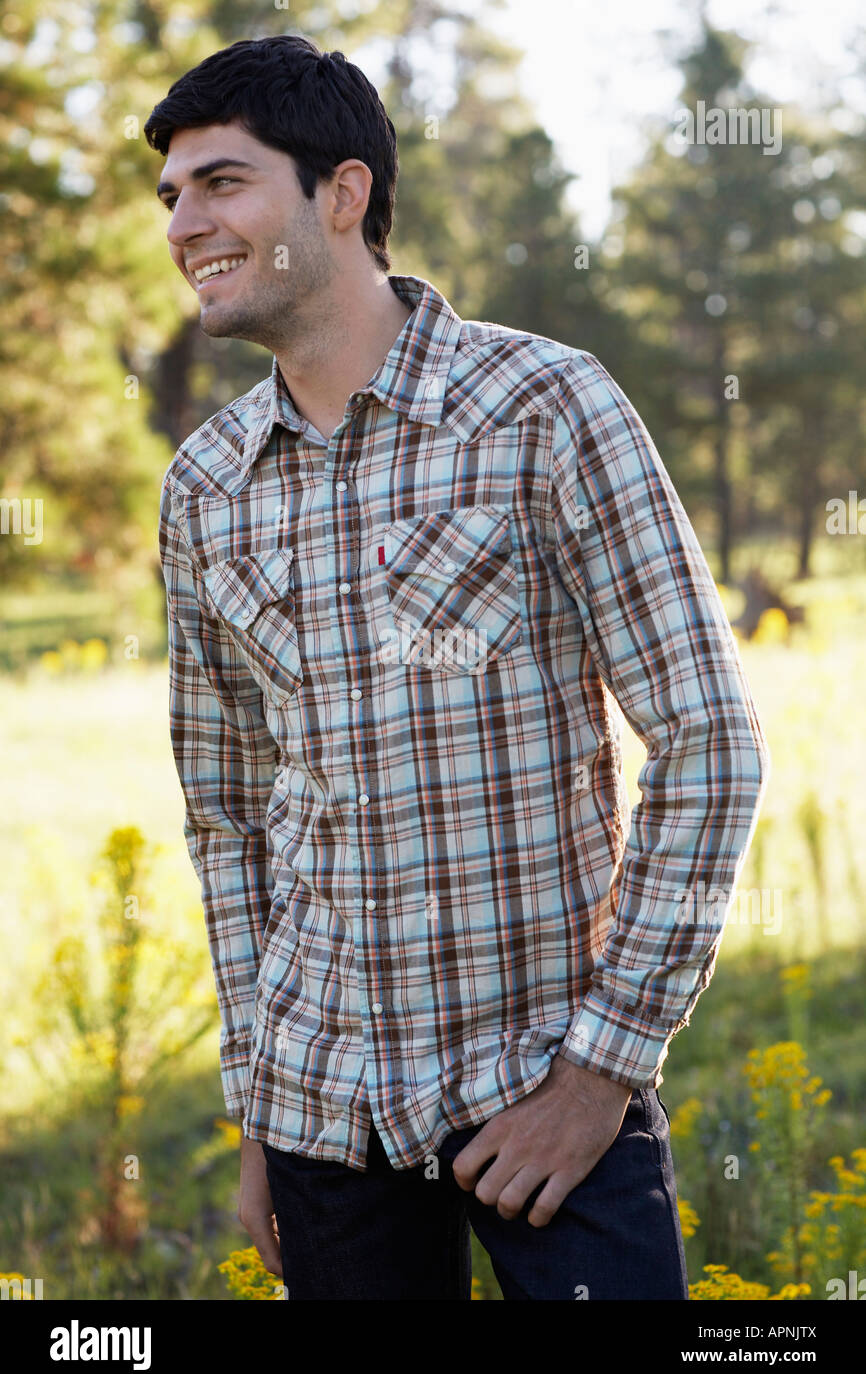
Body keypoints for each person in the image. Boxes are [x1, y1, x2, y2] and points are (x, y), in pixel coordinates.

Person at [146, 34, 770, 1300]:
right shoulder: (203, 488)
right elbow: (229, 821)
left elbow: (707, 742)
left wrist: (601, 1073)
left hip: (546, 1102)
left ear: (342, 193)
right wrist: (265, 1110)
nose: (181, 224)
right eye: (170, 197)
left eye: (220, 182)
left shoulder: (545, 407)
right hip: (327, 1119)